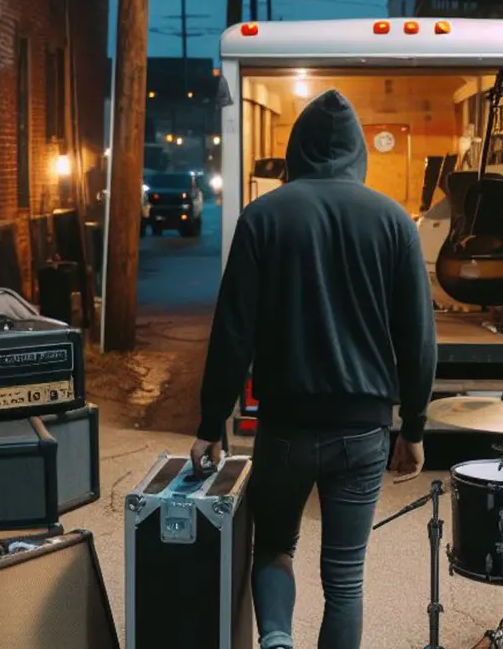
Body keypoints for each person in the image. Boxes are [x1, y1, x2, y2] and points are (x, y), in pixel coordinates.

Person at [191, 88, 437, 649]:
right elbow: (418, 340)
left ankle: (276, 639)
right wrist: (414, 428)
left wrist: (212, 423)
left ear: (296, 149)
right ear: (358, 152)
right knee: (345, 579)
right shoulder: (394, 221)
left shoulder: (263, 217)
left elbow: (232, 332)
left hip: (284, 428)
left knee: (275, 547)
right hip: (363, 431)